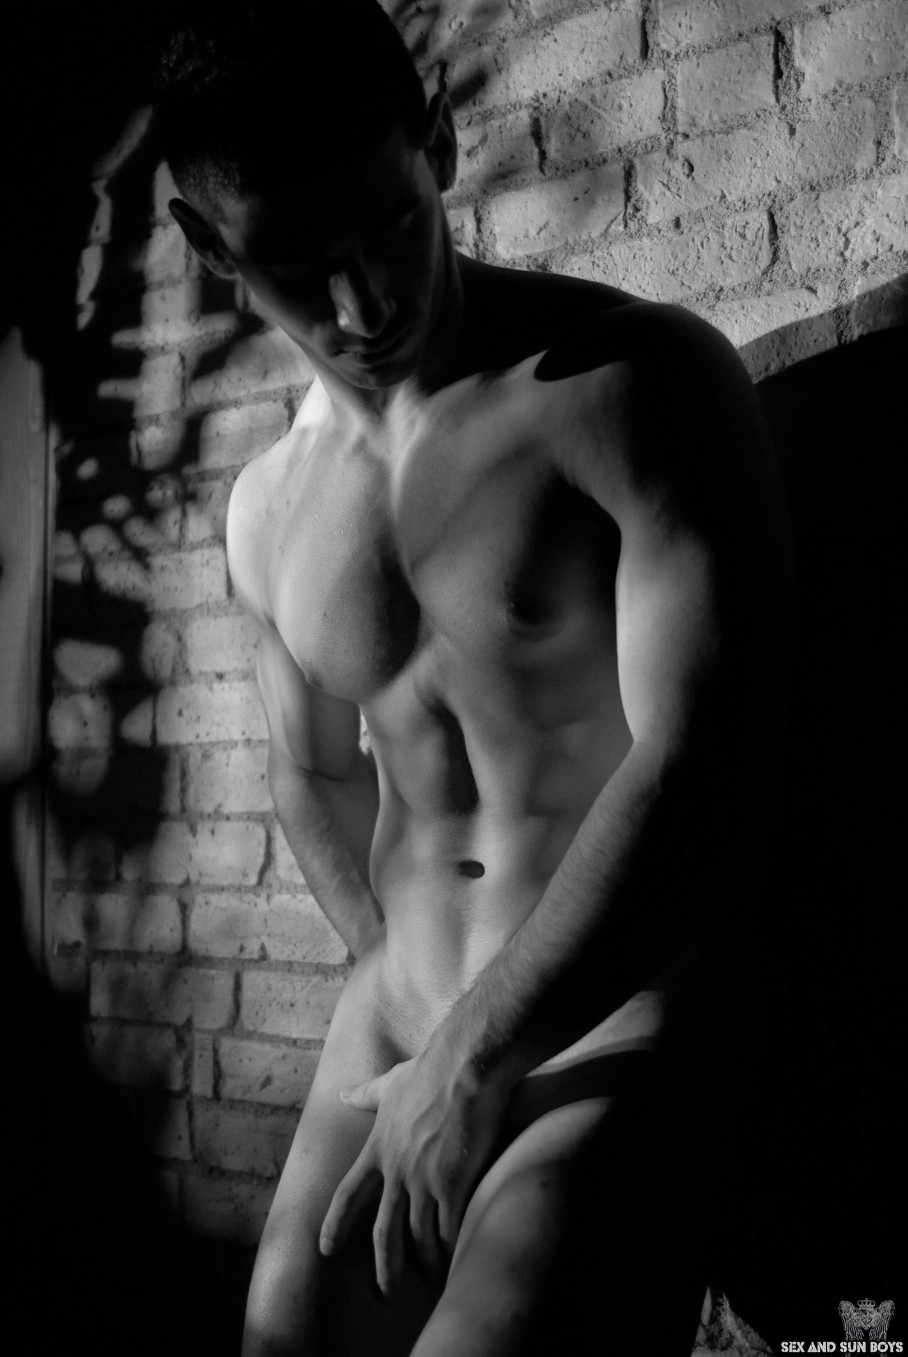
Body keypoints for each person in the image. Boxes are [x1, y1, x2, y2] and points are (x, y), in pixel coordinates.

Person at [156, 2, 793, 1352]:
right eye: (298, 269)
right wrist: (393, 981)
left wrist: (481, 1046)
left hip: (613, 1022)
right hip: (395, 1030)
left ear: (438, 143)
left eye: (390, 227)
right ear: (209, 248)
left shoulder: (631, 387)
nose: (364, 305)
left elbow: (704, 762)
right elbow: (312, 770)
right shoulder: (267, 510)